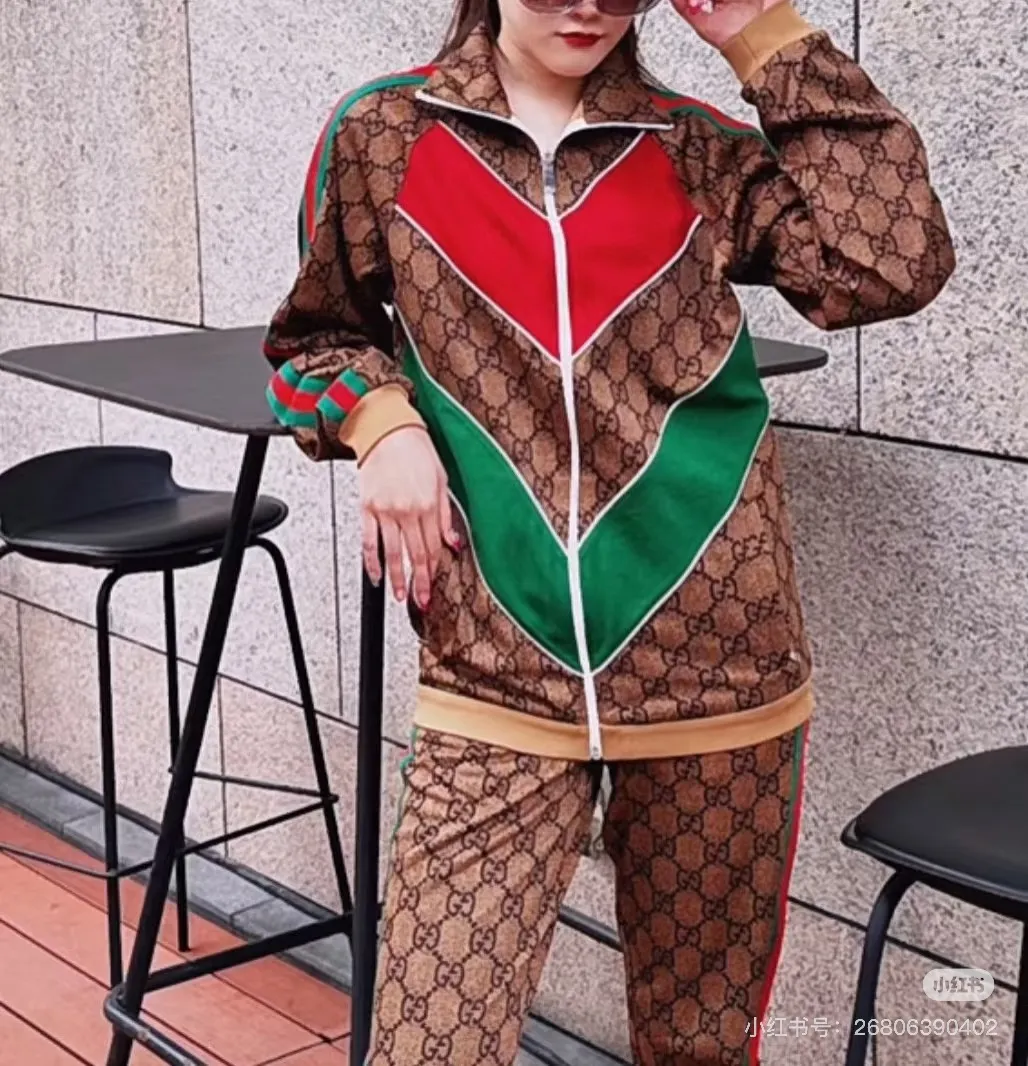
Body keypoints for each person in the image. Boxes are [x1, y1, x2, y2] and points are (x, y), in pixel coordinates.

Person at [263, 0, 955, 1061]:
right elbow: (311, 341)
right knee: (426, 1044)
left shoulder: (692, 149)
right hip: (495, 672)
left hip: (718, 676)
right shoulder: (387, 134)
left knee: (698, 1047)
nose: (587, 4)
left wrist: (762, 35)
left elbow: (891, 262)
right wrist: (379, 422)